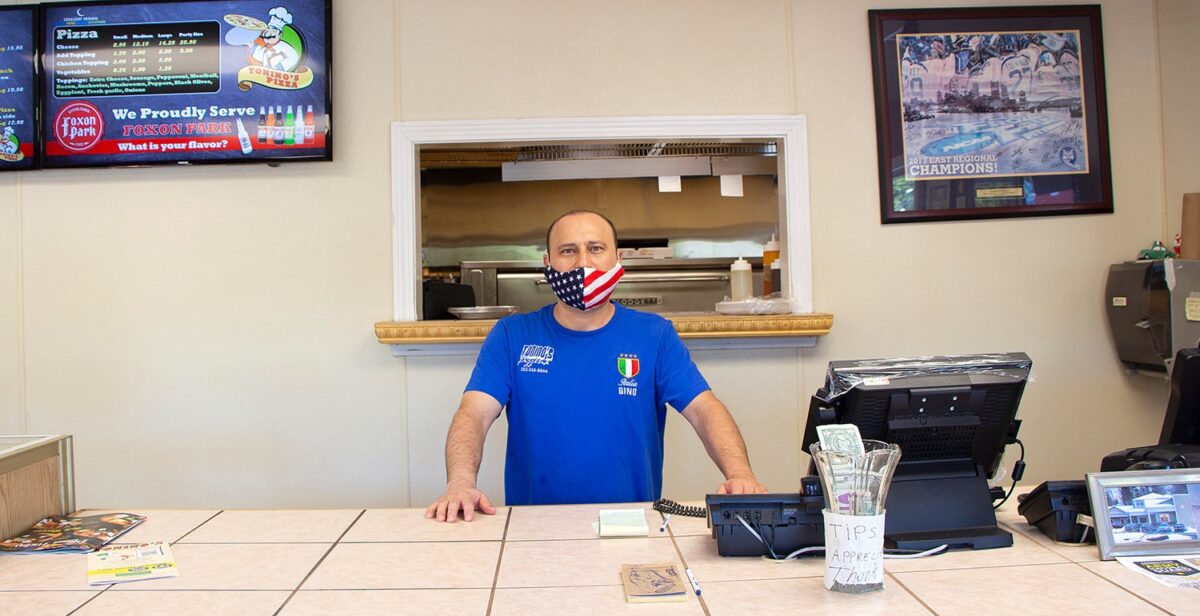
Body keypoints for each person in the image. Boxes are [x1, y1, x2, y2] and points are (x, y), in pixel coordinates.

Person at [426, 210, 766, 522]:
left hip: (630, 524)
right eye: (568, 251)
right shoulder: (511, 335)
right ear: (548, 263)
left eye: (596, 248)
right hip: (534, 527)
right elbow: (473, 414)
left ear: (618, 259)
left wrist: (740, 475)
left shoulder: (654, 335)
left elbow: (704, 409)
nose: (583, 263)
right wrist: (459, 482)